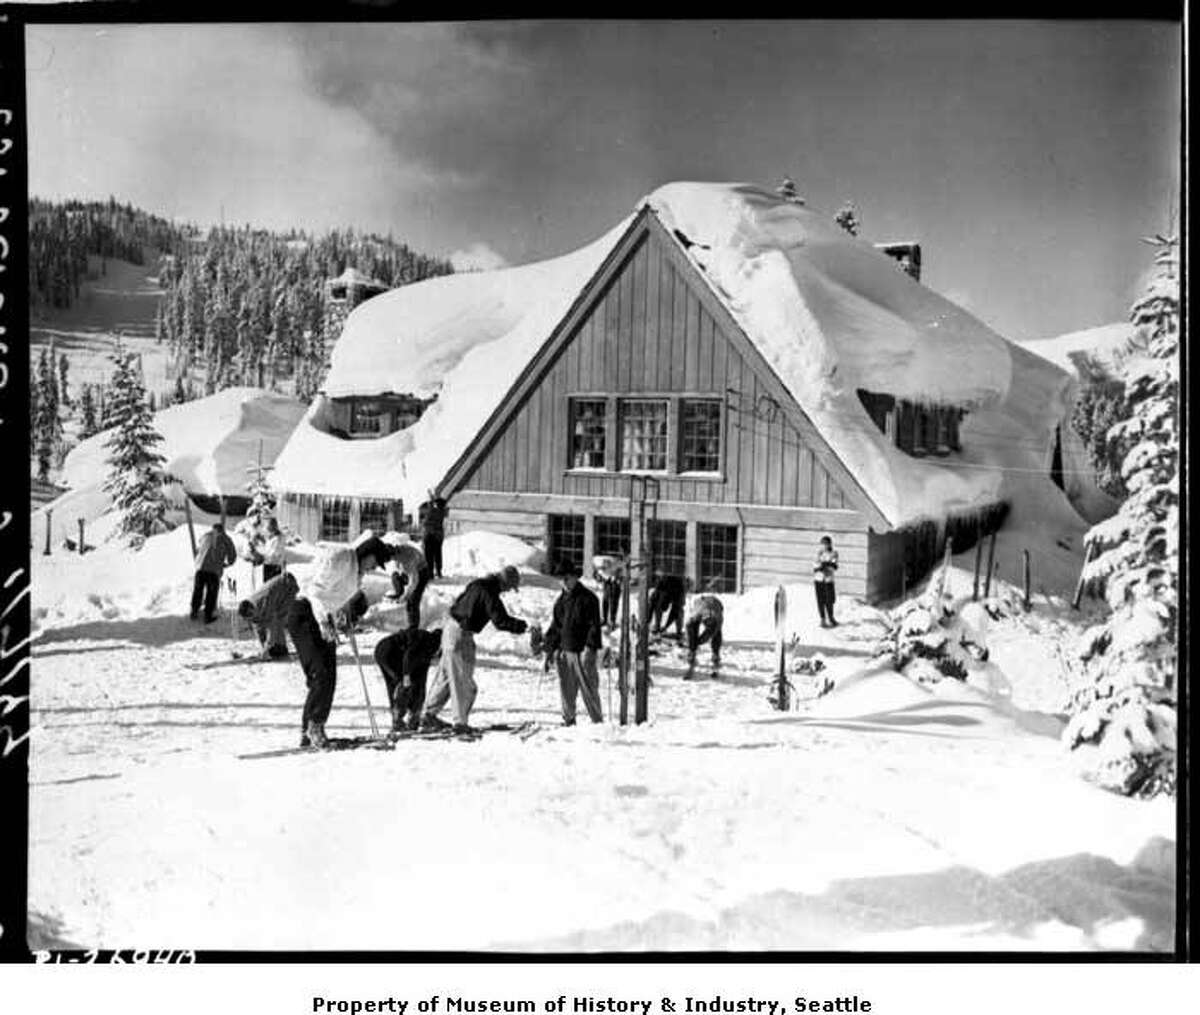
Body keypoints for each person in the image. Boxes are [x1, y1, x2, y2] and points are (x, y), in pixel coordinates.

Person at [420, 564, 528, 733]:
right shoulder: (490, 594)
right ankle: (460, 723)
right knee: (463, 682)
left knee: (447, 677)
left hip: (449, 628)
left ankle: (428, 715)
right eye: (510, 587)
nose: (508, 591)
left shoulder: (477, 584)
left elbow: (458, 602)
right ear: (505, 582)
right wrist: (524, 627)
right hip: (461, 635)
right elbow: (500, 621)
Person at [544, 561, 604, 726]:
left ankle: (597, 721)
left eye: (567, 578)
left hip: (583, 650)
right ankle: (568, 719)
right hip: (565, 650)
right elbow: (556, 626)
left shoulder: (589, 598)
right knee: (566, 690)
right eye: (561, 579)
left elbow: (594, 626)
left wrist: (590, 648)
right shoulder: (560, 601)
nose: (564, 582)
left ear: (575, 578)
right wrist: (549, 648)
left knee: (589, 688)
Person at [286, 591, 338, 749]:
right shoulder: (339, 567)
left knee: (329, 675)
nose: (370, 568)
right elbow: (316, 592)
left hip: (323, 618)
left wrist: (342, 616)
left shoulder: (355, 574)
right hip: (305, 615)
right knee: (319, 673)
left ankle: (315, 727)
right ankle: (312, 727)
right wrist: (324, 623)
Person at [374, 626, 442, 732]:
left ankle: (398, 720)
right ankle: (401, 719)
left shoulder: (427, 645)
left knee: (394, 685)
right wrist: (406, 676)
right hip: (390, 652)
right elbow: (409, 656)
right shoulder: (430, 643)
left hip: (381, 650)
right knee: (403, 685)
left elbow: (421, 680)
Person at [238, 571, 299, 659]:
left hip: (288, 586)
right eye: (249, 618)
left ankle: (281, 648)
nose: (251, 618)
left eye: (251, 616)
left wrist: (267, 648)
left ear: (252, 609)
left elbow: (272, 628)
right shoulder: (253, 609)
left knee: (279, 619)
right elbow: (258, 627)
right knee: (268, 620)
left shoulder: (265, 603)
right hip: (277, 592)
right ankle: (276, 647)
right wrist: (263, 647)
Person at [190, 522, 237, 624]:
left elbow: (199, 549)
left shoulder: (205, 536)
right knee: (212, 593)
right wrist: (226, 564)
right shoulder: (226, 539)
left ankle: (194, 611)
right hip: (214, 571)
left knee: (198, 590)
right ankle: (208, 615)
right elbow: (232, 557)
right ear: (222, 530)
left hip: (200, 568)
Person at [383, 536, 430, 630]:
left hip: (422, 573)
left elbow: (414, 581)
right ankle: (398, 593)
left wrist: (406, 595)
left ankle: (413, 628)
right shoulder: (398, 551)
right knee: (395, 576)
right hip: (412, 569)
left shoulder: (407, 560)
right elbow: (399, 566)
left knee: (412, 601)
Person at [685, 594, 725, 674]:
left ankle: (715, 654)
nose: (707, 625)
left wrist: (699, 641)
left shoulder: (718, 619)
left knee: (717, 633)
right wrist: (692, 646)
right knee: (692, 627)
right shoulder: (696, 615)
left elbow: (708, 635)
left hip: (716, 603)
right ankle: (692, 652)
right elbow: (689, 626)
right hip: (700, 603)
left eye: (709, 624)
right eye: (706, 622)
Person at [647, 573, 687, 641]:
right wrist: (647, 622)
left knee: (679, 611)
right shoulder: (656, 595)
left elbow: (675, 612)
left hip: (679, 588)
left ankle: (679, 631)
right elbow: (650, 609)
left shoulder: (678, 593)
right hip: (664, 588)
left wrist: (666, 626)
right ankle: (657, 626)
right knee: (656, 606)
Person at [592, 554, 624, 631]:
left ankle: (612, 621)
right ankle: (605, 619)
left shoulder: (617, 564)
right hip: (608, 584)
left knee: (613, 603)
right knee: (605, 601)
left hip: (615, 585)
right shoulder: (601, 566)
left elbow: (621, 575)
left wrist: (616, 578)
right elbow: (597, 576)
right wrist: (600, 577)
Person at [420, 494, 449, 579]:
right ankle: (438, 571)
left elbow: (425, 519)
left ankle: (430, 573)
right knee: (437, 554)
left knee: (428, 555)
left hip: (429, 535)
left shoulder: (431, 511)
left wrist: (430, 501)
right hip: (438, 536)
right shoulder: (442, 511)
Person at [813, 535, 839, 628]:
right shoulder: (819, 553)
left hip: (828, 580)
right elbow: (816, 565)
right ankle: (822, 618)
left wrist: (825, 564)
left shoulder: (833, 553)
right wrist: (823, 565)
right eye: (822, 544)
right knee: (821, 600)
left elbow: (834, 565)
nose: (824, 546)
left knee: (830, 599)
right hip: (819, 579)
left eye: (826, 544)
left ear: (829, 544)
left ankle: (831, 617)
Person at [255, 518, 286, 583]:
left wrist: (261, 555)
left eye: (268, 529)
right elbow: (268, 547)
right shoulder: (272, 537)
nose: (267, 531)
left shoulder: (278, 539)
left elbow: (274, 554)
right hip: (269, 565)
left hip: (274, 566)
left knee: (272, 587)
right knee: (267, 586)